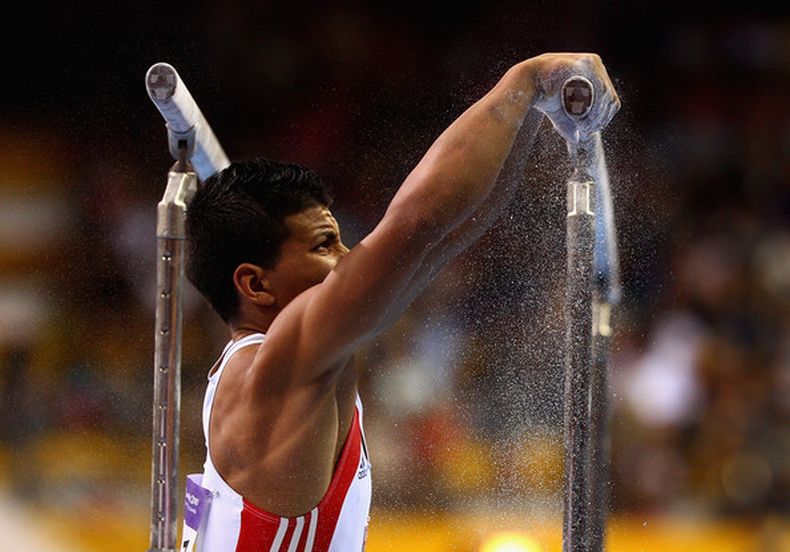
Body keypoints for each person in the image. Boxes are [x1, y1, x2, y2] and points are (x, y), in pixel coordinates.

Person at [183, 52, 619, 551]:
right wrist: (525, 80)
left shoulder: (283, 369)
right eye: (324, 245)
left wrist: (534, 113)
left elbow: (445, 236)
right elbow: (417, 225)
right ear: (255, 285)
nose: (347, 258)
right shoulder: (279, 366)